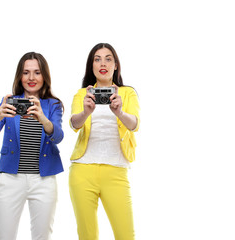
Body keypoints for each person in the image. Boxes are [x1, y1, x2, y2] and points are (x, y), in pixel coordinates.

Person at [0, 52, 64, 240]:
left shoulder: (53, 104)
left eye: (37, 72)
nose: (31, 78)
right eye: (26, 72)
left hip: (43, 180)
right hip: (10, 178)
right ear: (20, 75)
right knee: (4, 236)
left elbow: (58, 136)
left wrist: (42, 118)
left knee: (42, 236)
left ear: (44, 75)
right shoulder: (10, 101)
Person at [69, 43, 140, 240]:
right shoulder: (82, 94)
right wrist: (86, 112)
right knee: (87, 235)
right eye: (97, 59)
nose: (103, 63)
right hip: (83, 171)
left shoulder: (127, 93)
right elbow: (74, 124)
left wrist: (119, 112)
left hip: (116, 171)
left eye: (108, 59)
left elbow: (134, 124)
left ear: (115, 65)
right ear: (91, 65)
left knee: (126, 235)